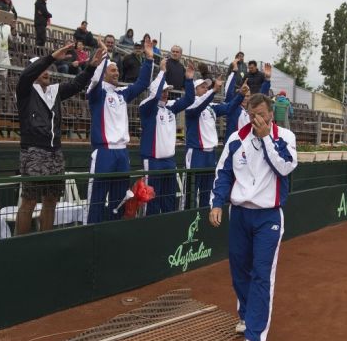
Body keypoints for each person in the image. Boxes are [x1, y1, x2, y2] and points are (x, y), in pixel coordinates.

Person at [209, 93, 298, 341]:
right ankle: (246, 315)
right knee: (239, 270)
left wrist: (268, 137)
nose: (256, 119)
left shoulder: (285, 137)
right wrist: (216, 203)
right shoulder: (236, 139)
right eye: (252, 114)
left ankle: (254, 336)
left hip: (268, 217)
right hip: (239, 214)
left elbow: (285, 167)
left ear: (270, 114)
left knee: (261, 274)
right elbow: (223, 173)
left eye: (261, 114)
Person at [15, 41, 104, 235]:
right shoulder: (25, 90)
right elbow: (26, 74)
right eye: (42, 70)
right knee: (29, 200)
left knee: (51, 200)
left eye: (48, 69)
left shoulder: (54, 91)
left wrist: (90, 67)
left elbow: (76, 84)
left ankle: (46, 239)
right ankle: (18, 245)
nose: (46, 72)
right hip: (33, 151)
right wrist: (52, 57)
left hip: (56, 152)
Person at [85, 37, 154, 224]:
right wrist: (103, 59)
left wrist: (149, 59)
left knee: (120, 198)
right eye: (113, 70)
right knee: (97, 198)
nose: (117, 73)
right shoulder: (97, 94)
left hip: (122, 153)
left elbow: (141, 84)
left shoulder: (122, 93)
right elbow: (95, 80)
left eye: (117, 70)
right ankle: (91, 233)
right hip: (104, 152)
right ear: (104, 72)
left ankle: (115, 230)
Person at [139, 59, 196, 214]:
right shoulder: (146, 107)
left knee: (169, 199)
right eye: (163, 91)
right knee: (151, 200)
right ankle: (149, 229)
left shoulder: (170, 107)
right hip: (153, 161)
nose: (165, 93)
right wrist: (162, 72)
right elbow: (155, 95)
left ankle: (168, 228)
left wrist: (189, 80)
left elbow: (189, 99)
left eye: (166, 91)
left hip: (169, 161)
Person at [184, 72, 245, 208]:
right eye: (202, 87)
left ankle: (206, 215)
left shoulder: (211, 107)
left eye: (206, 87)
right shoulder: (190, 105)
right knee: (192, 190)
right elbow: (198, 105)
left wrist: (240, 95)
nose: (205, 89)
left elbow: (229, 108)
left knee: (208, 189)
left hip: (210, 153)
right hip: (196, 152)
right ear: (194, 90)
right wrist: (213, 91)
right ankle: (188, 217)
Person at [224, 62, 271, 142]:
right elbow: (228, 92)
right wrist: (234, 72)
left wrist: (267, 79)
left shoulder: (252, 111)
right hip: (234, 146)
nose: (246, 98)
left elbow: (261, 96)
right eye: (244, 96)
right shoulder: (233, 108)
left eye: (248, 96)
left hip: (249, 146)